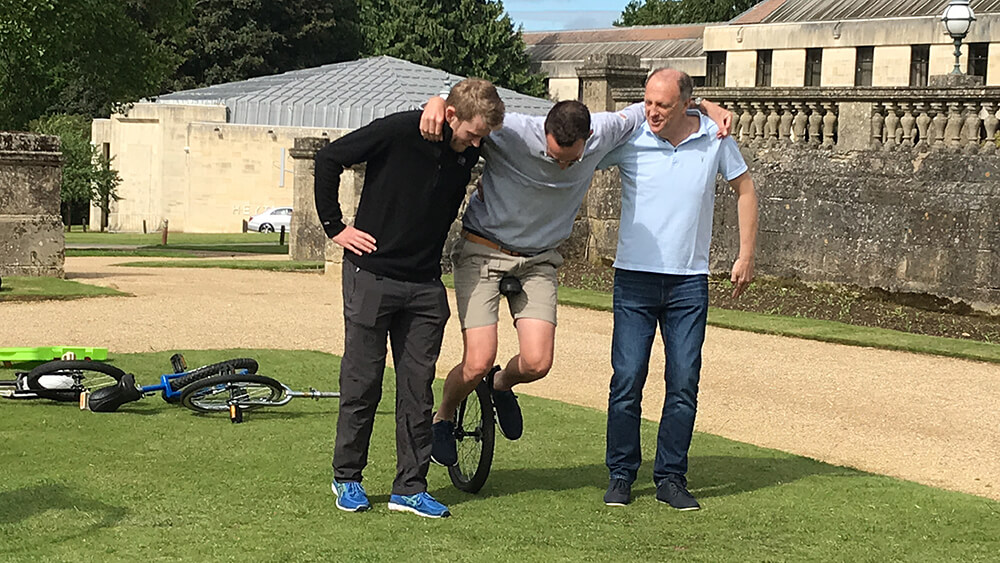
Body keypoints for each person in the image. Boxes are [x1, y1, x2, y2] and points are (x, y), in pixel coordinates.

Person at [419, 93, 732, 468]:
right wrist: (436, 100)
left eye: (573, 160)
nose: (564, 166)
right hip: (484, 250)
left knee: (537, 363)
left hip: (538, 261)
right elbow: (466, 105)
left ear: (589, 138)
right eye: (555, 157)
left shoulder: (604, 131)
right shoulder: (512, 131)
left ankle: (501, 385)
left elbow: (660, 105)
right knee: (478, 361)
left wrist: (707, 106)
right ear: (545, 133)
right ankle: (443, 416)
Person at [314, 78, 505, 518]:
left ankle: (410, 488)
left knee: (417, 391)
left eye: (483, 138)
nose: (477, 145)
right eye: (473, 133)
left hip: (423, 286)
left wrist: (441, 98)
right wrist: (335, 227)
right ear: (451, 117)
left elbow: (468, 105)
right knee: (362, 384)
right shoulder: (400, 129)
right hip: (371, 275)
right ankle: (347, 478)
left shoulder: (466, 145)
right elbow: (329, 159)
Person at [597, 68, 758, 510]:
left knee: (684, 382)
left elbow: (745, 189)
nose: (652, 112)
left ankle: (670, 477)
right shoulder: (632, 136)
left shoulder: (715, 138)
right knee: (627, 379)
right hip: (634, 277)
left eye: (662, 105)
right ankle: (621, 474)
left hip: (689, 281)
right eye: (647, 102)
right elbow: (582, 152)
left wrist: (745, 255)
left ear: (685, 104)